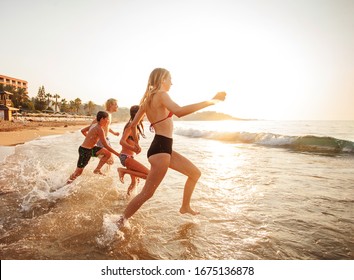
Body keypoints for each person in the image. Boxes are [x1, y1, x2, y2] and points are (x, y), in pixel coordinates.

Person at [117, 68, 226, 226]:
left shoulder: (147, 101)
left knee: (195, 173)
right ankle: (120, 222)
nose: (172, 83)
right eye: (170, 79)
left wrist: (137, 146)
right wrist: (211, 101)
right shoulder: (161, 95)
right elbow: (180, 112)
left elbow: (133, 125)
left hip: (163, 148)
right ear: (162, 79)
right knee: (147, 193)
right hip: (161, 149)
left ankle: (185, 206)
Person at [67, 111, 121, 184]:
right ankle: (67, 184)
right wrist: (118, 154)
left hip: (90, 149)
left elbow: (83, 131)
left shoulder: (95, 125)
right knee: (78, 172)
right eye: (107, 119)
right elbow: (105, 145)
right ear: (102, 119)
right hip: (84, 151)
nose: (108, 121)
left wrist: (90, 139)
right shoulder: (99, 129)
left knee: (107, 154)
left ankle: (97, 169)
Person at [118, 105, 149, 196]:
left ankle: (126, 199)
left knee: (135, 182)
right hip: (126, 157)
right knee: (149, 175)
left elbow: (130, 141)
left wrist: (136, 146)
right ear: (137, 114)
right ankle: (123, 171)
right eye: (142, 113)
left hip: (128, 157)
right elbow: (122, 141)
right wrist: (133, 149)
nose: (144, 115)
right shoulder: (130, 125)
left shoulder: (135, 126)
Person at [82, 98, 120, 166]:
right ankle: (97, 171)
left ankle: (102, 173)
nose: (117, 106)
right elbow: (93, 126)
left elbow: (106, 126)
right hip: (101, 140)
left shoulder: (109, 114)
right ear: (111, 105)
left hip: (106, 139)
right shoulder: (105, 114)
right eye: (116, 104)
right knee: (109, 160)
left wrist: (113, 133)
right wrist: (92, 139)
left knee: (110, 161)